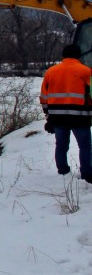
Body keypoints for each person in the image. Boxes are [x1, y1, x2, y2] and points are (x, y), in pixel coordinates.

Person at [40, 44, 92, 182]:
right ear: (79, 56)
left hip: (57, 116)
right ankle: (87, 174)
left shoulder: (51, 71)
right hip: (80, 117)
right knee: (85, 146)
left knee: (61, 145)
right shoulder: (86, 71)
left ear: (63, 55)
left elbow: (44, 96)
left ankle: (63, 171)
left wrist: (48, 113)